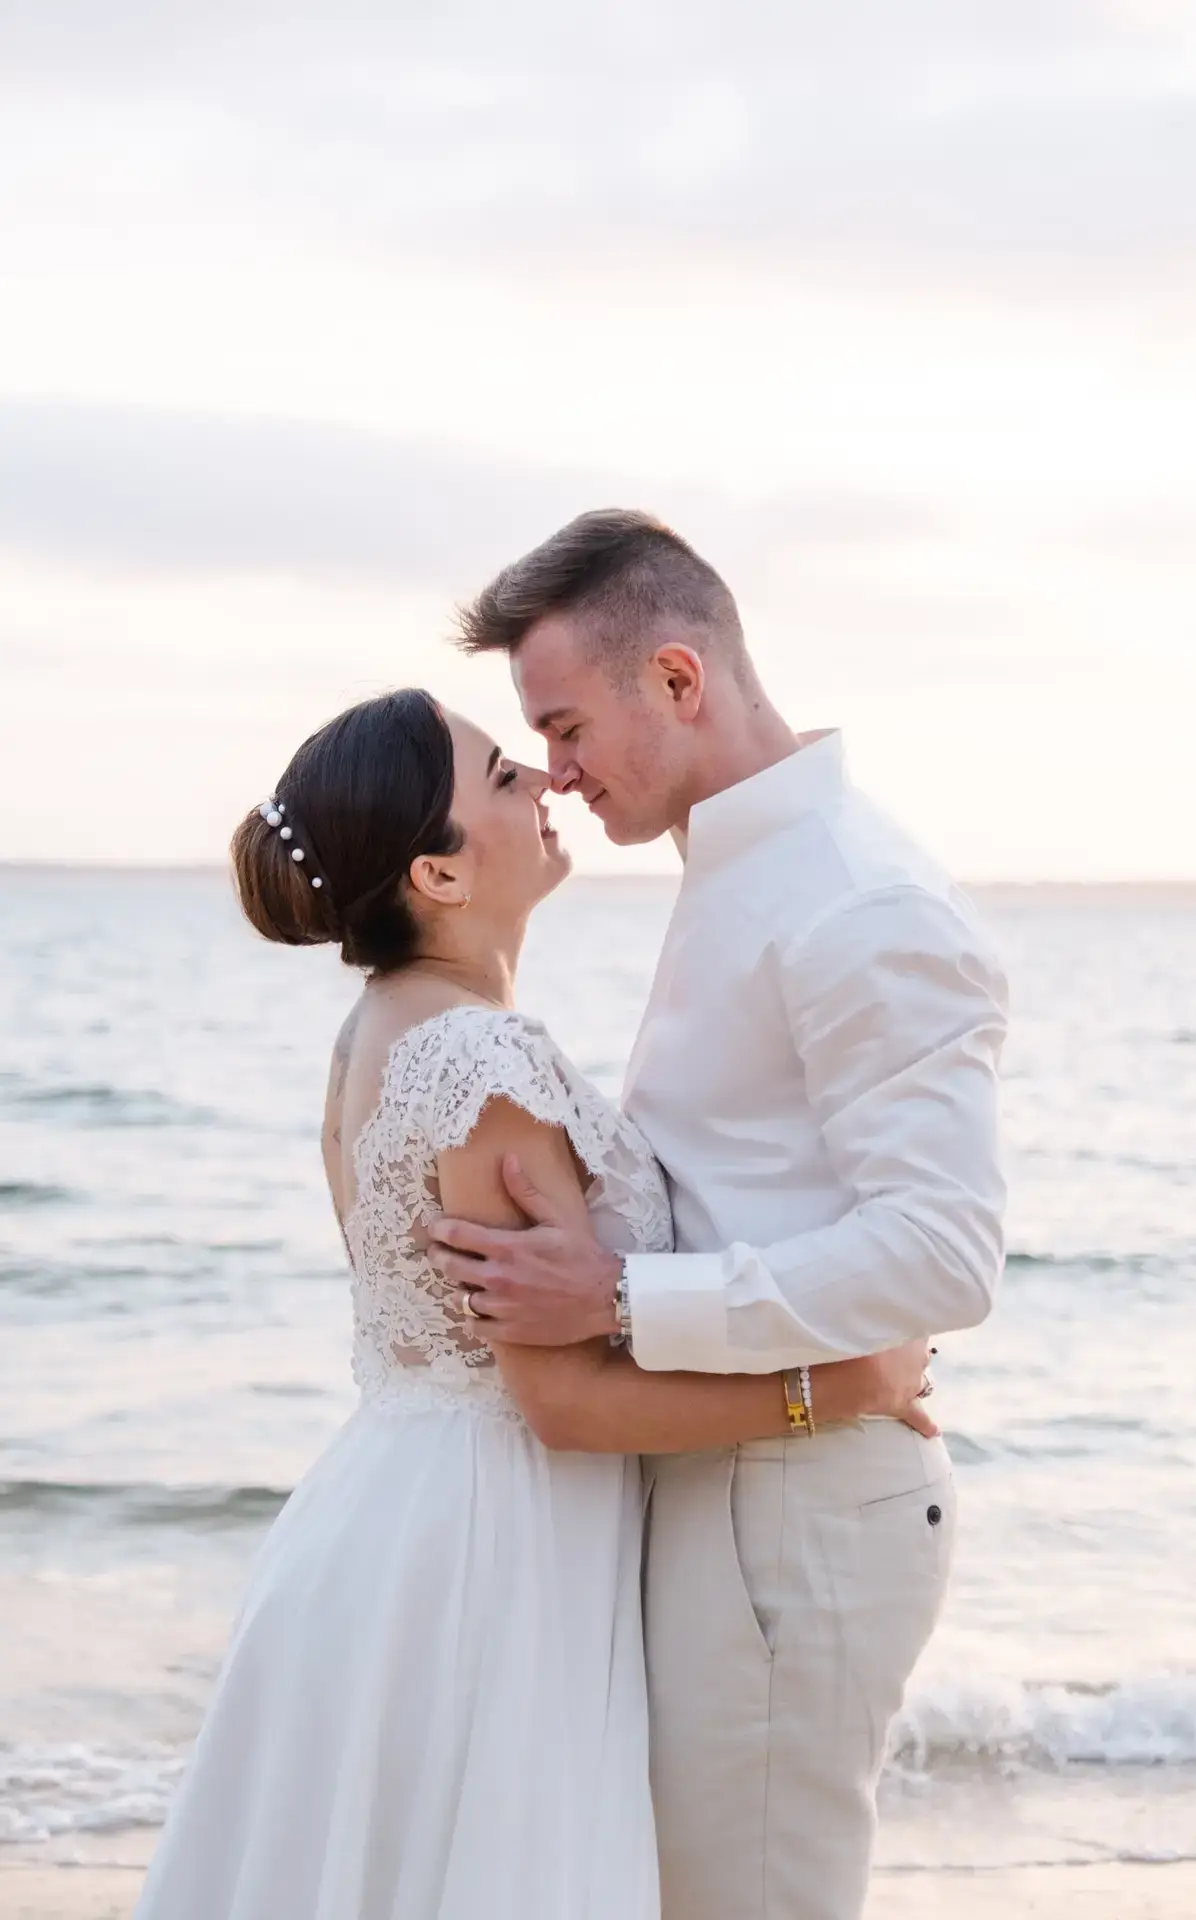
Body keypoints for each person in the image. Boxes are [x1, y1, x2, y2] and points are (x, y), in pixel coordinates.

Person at [132, 686, 936, 1920]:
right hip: (486, 1545)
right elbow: (558, 1400)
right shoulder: (478, 1060)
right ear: (436, 877)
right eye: (503, 777)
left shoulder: (378, 1033)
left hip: (386, 1520)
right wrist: (842, 1384)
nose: (546, 784)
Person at [430, 511, 1009, 1920]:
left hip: (792, 1519)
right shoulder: (742, 868)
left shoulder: (857, 899)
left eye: (565, 727)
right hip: (745, 1480)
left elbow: (942, 1250)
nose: (554, 776)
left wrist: (617, 1305)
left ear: (678, 681)